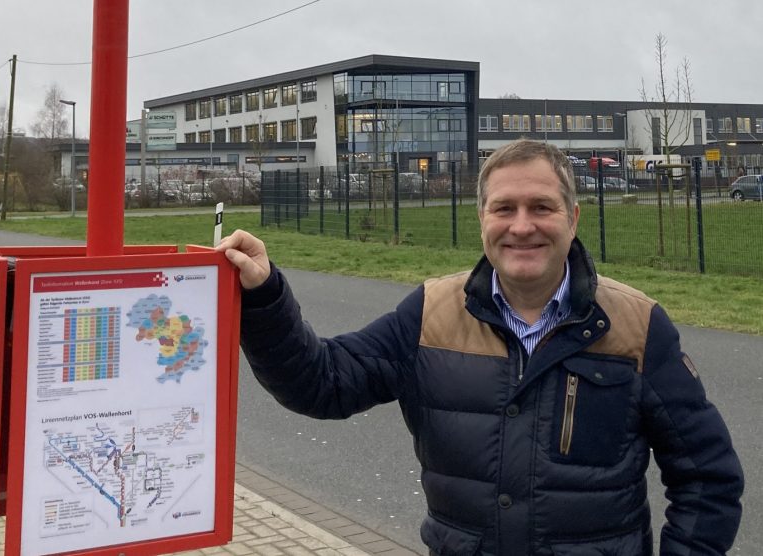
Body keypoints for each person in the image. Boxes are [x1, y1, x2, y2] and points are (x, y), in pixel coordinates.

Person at [216, 139, 743, 555]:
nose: (521, 226)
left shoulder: (636, 326)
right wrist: (264, 297)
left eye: (542, 206)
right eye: (503, 208)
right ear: (482, 219)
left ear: (573, 218)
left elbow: (706, 478)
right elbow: (321, 384)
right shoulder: (429, 315)